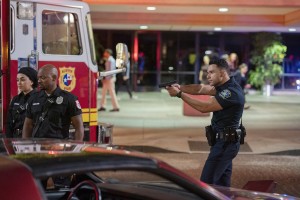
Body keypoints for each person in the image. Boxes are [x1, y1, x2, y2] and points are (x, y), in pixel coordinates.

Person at [165, 58, 245, 187]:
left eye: (211, 72)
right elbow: (200, 89)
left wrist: (180, 94)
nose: (208, 76)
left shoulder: (231, 92)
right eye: (208, 72)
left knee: (205, 185)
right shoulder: (224, 86)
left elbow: (205, 107)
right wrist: (180, 87)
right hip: (224, 142)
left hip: (225, 144)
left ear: (222, 73)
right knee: (222, 188)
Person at [22, 64, 84, 141]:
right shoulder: (34, 98)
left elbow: (79, 127)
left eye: (43, 78)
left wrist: (76, 148)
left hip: (59, 147)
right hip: (37, 147)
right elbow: (28, 125)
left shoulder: (69, 99)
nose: (39, 81)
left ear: (54, 78)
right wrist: (25, 146)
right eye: (38, 78)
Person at [6, 67, 38, 138]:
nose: (19, 83)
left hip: (31, 140)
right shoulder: (15, 99)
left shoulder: (38, 99)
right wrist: (9, 140)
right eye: (17, 80)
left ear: (32, 82)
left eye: (22, 80)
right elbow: (9, 122)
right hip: (15, 139)